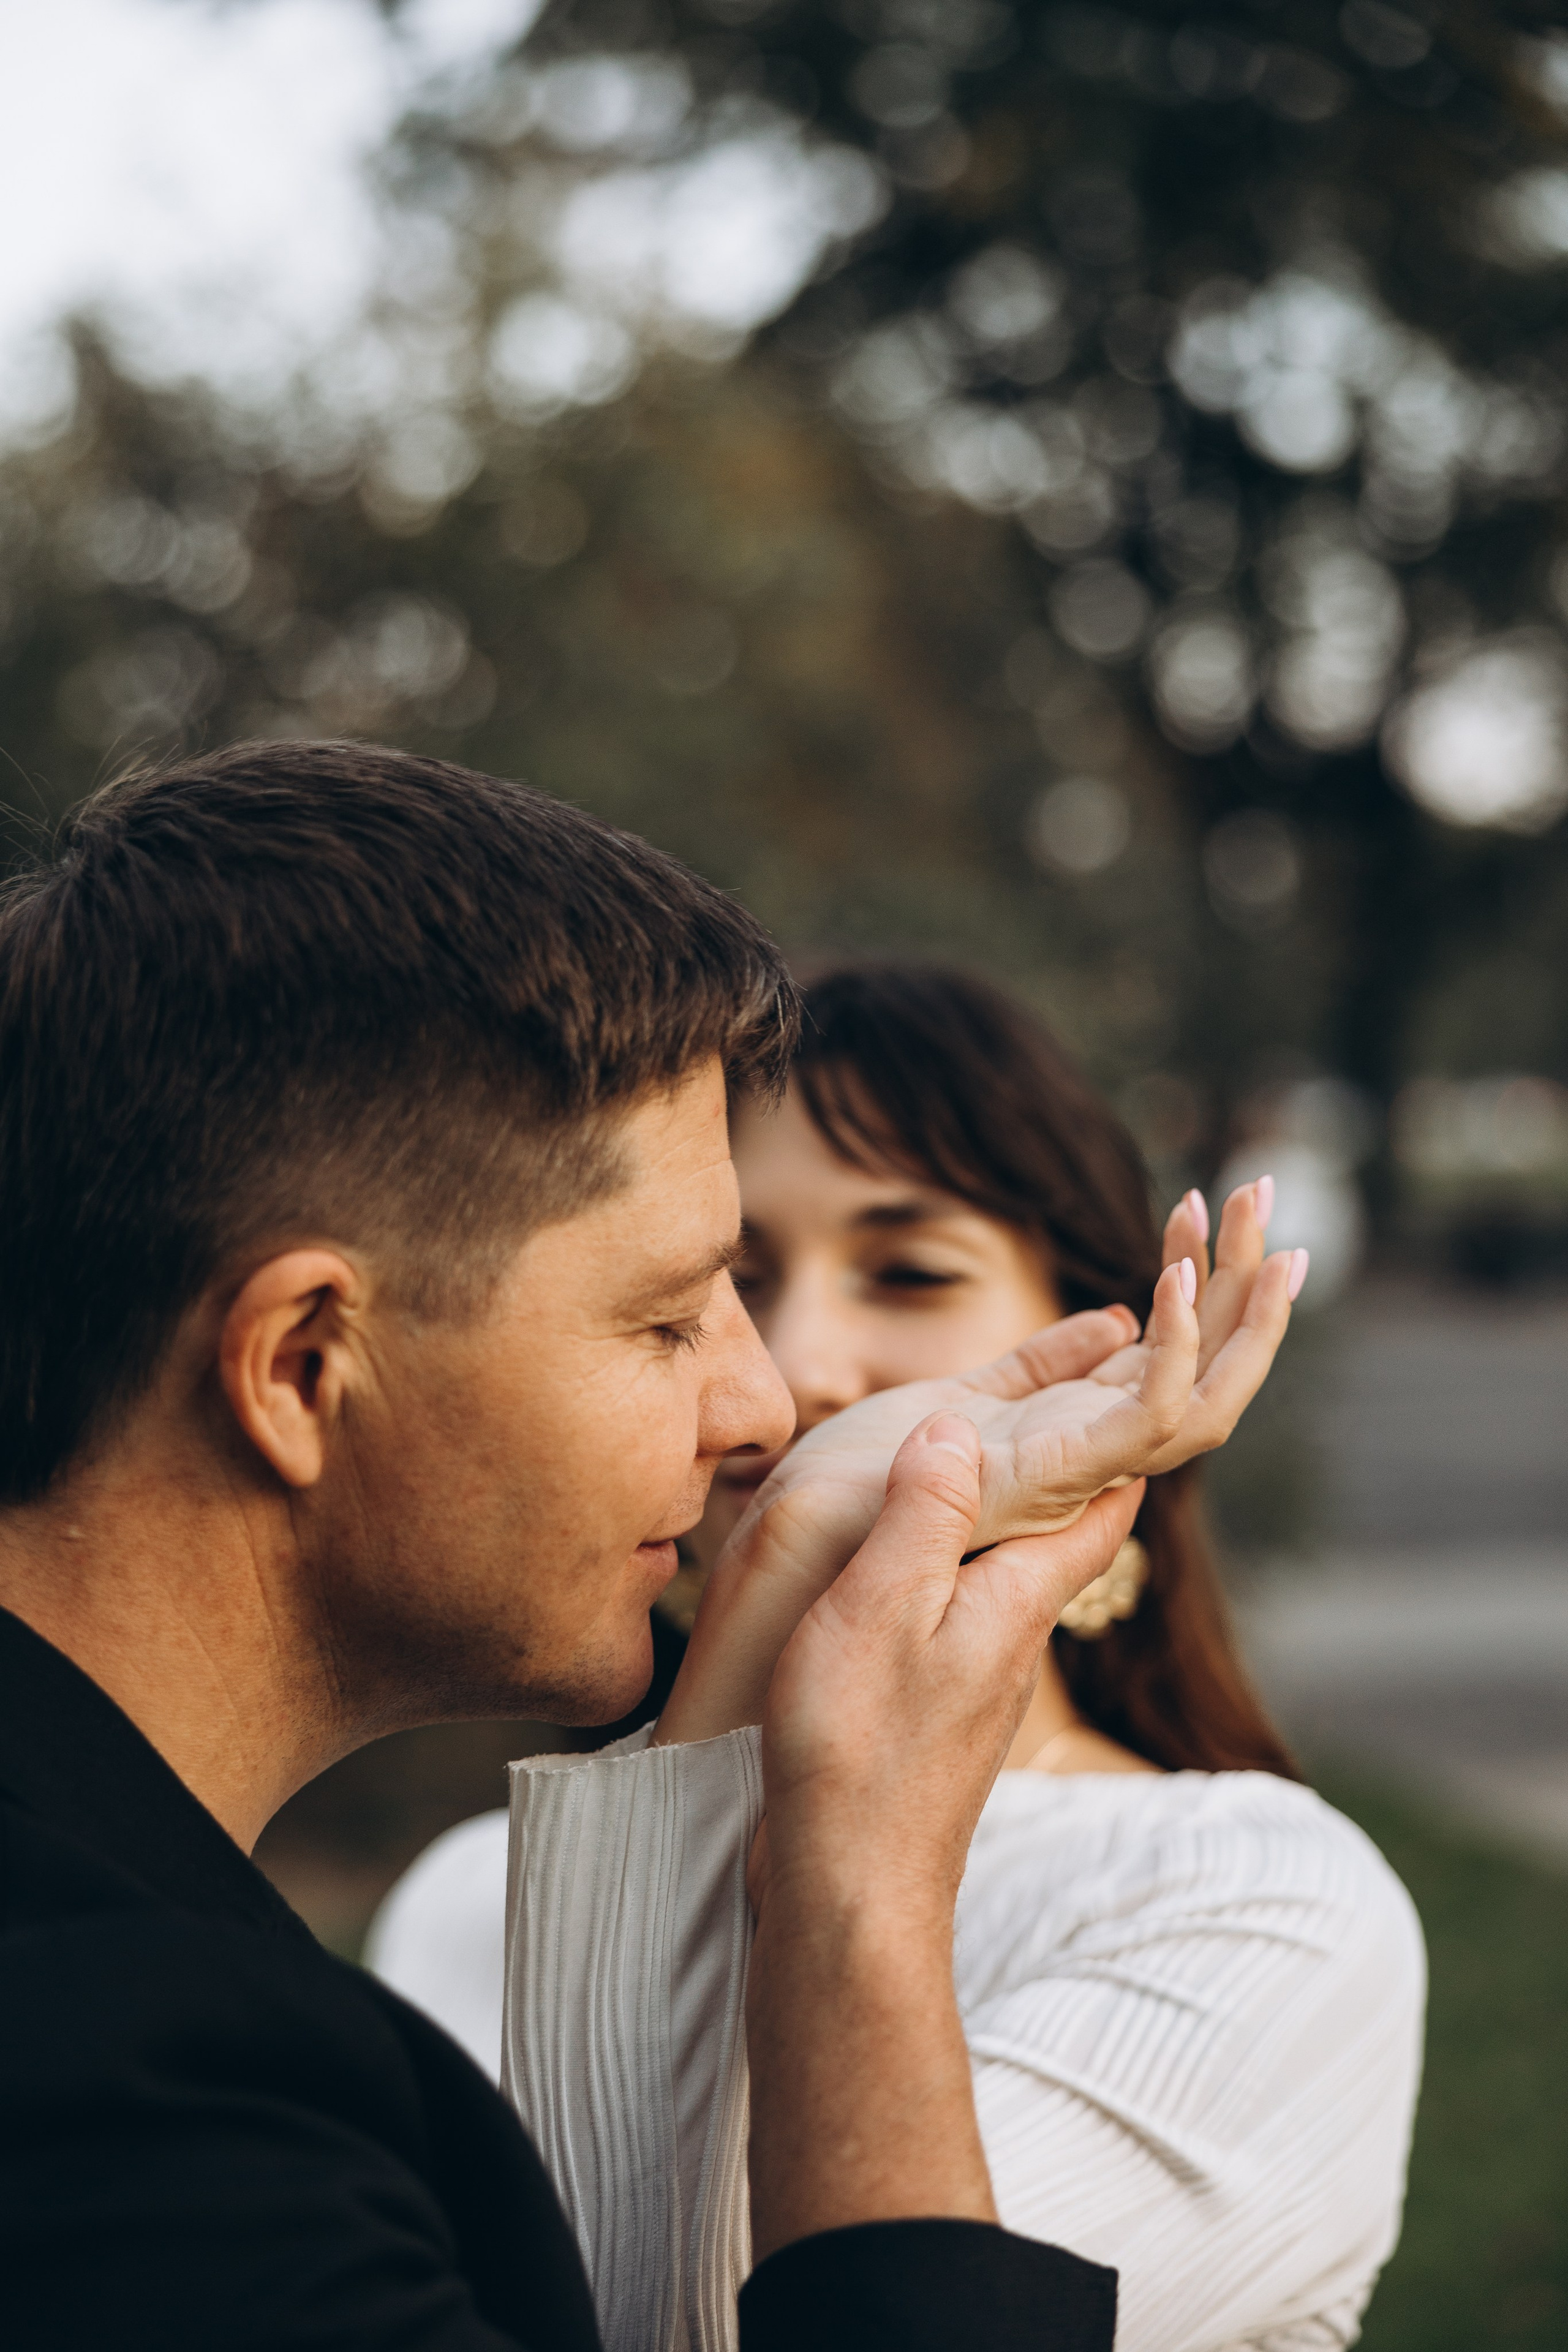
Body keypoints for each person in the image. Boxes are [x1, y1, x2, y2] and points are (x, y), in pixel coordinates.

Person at [0, 749, 1299, 2352]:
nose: (769, 1401)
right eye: (676, 1310)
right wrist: (861, 1881)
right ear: (300, 1369)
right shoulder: (129, 2095)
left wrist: (785, 1594)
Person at [373, 963, 1423, 2352]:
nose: (797, 1366)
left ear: (1107, 1346)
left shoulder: (1252, 1904)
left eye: (909, 1271)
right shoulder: (467, 1895)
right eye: (724, 1283)